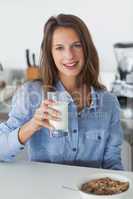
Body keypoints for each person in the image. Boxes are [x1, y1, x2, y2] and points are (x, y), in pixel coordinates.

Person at [0, 14, 123, 170]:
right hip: (44, 191)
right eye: (59, 48)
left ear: (87, 49)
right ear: (50, 54)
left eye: (76, 45)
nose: (69, 55)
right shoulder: (30, 94)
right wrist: (32, 125)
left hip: (90, 192)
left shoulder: (109, 103)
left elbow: (113, 163)